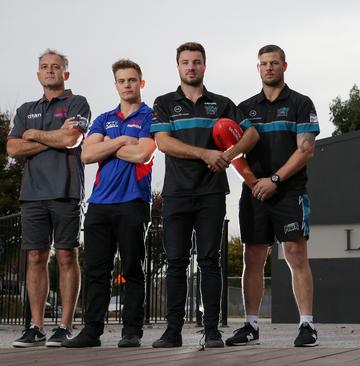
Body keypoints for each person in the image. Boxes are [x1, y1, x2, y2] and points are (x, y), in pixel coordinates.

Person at [150, 42, 259, 348]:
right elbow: (163, 143)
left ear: (204, 66)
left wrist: (229, 153)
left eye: (196, 62)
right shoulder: (164, 102)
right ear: (178, 67)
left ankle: (212, 330)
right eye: (185, 62)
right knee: (176, 262)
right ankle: (172, 332)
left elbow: (251, 134)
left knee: (210, 262)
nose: (191, 67)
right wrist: (205, 154)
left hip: (211, 193)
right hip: (176, 194)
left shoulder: (222, 104)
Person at [225, 45, 320, 348]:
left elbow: (305, 150)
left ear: (284, 66)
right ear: (258, 68)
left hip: (288, 191)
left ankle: (307, 326)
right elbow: (236, 152)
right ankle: (251, 326)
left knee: (295, 255)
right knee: (252, 259)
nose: (269, 68)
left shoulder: (301, 104)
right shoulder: (244, 108)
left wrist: (275, 180)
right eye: (264, 63)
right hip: (254, 193)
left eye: (274, 63)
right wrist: (255, 182)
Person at [62, 59, 155, 348]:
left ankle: (131, 332)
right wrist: (123, 141)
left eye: (132, 80)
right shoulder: (104, 118)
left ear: (141, 83)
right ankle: (92, 331)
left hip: (133, 201)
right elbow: (87, 155)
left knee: (132, 269)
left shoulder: (151, 117)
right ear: (115, 85)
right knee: (97, 270)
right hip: (100, 203)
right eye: (121, 81)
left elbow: (143, 155)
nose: (127, 85)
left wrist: (108, 146)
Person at [7, 49, 90, 347]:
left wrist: (33, 135)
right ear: (38, 74)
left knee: (67, 256)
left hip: (66, 192)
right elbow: (13, 149)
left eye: (56, 67)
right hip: (32, 195)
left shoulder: (77, 103)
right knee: (34, 257)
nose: (50, 70)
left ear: (65, 74)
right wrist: (52, 137)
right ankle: (37, 327)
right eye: (45, 66)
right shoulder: (26, 109)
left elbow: (72, 139)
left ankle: (64, 326)